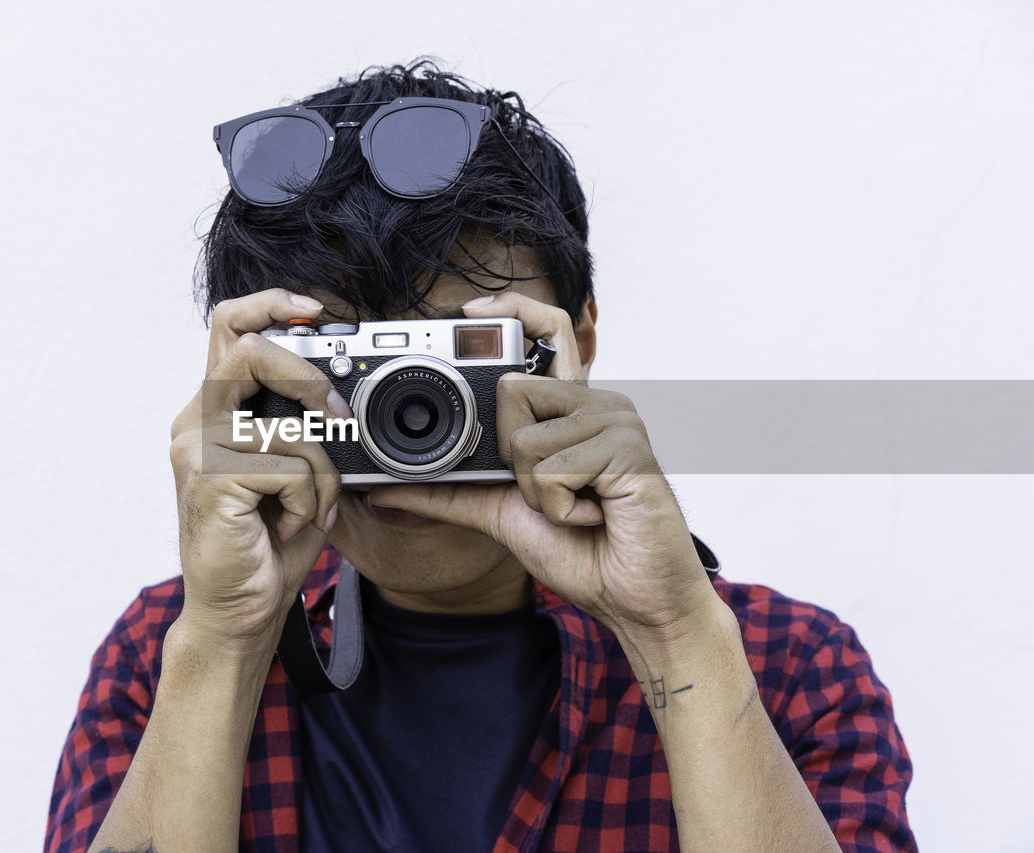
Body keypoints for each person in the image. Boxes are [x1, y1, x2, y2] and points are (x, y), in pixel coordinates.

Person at [45, 60, 916, 853]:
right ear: (252, 378)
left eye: (458, 350)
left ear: (575, 343)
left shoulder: (789, 667)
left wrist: (676, 634)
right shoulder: (166, 653)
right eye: (347, 357)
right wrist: (223, 643)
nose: (405, 410)